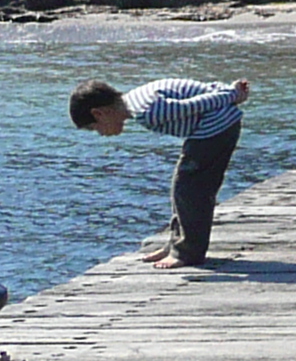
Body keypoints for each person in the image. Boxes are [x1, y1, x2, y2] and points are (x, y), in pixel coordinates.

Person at [70, 76, 251, 269]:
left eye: (94, 128)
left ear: (99, 114)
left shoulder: (147, 111)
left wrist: (232, 95)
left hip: (216, 128)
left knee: (191, 191)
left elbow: (196, 104)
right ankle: (176, 244)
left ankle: (188, 252)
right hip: (208, 130)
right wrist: (227, 89)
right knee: (182, 190)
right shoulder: (136, 100)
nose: (100, 133)